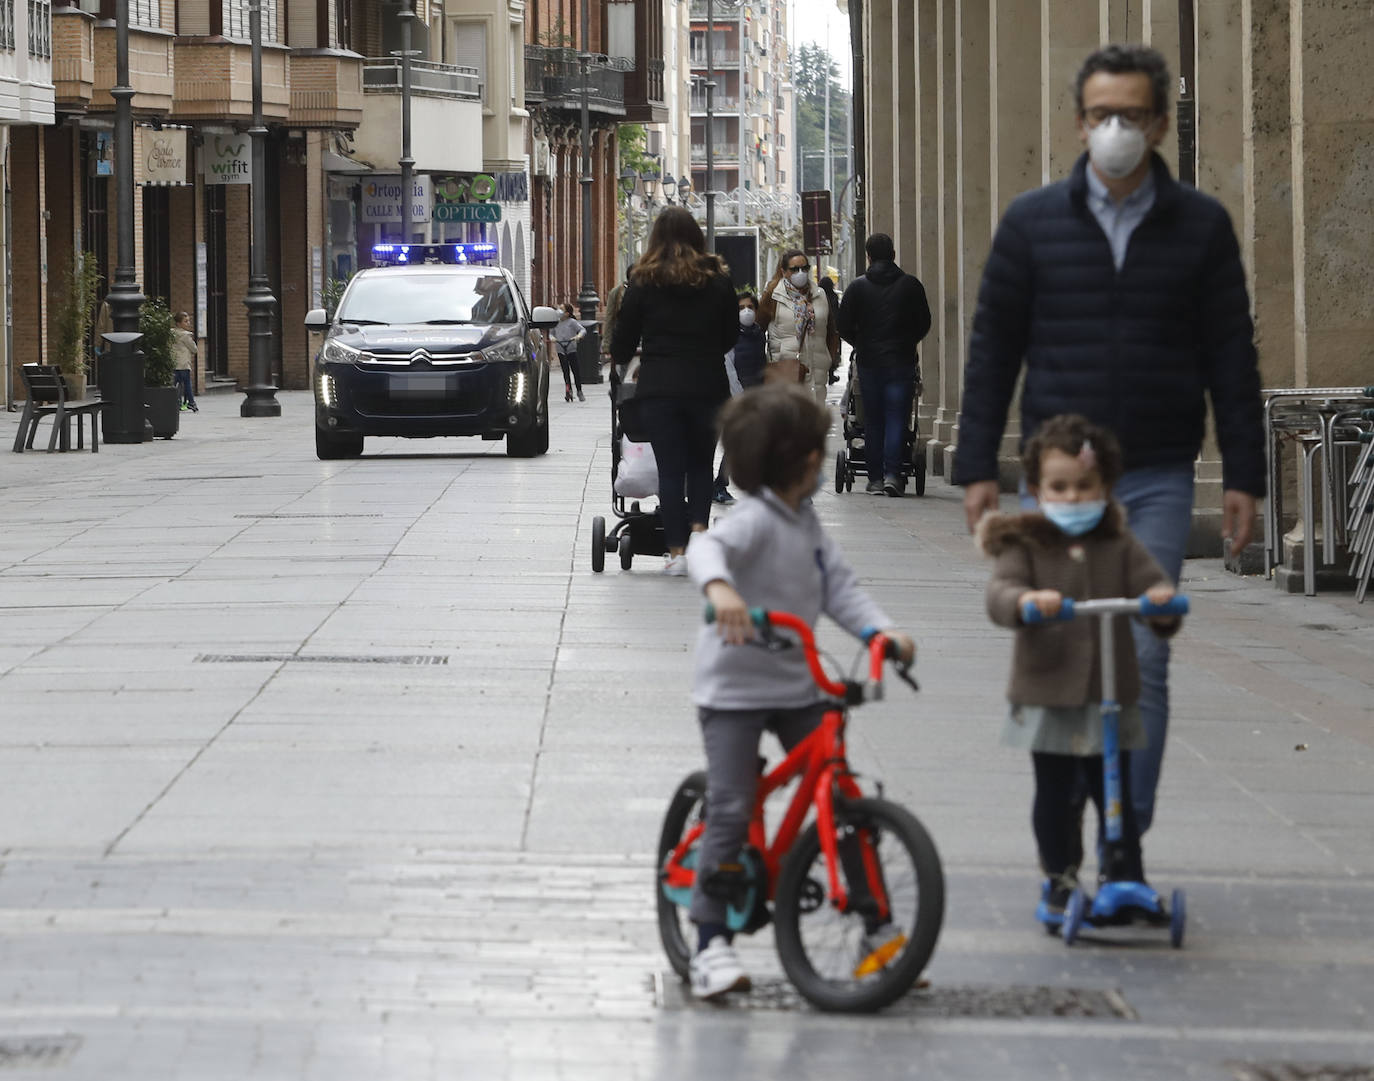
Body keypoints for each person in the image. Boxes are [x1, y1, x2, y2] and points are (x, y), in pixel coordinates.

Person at [953, 43, 1264, 836]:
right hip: (1057, 481)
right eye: (1101, 115)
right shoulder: (1031, 224)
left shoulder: (1200, 227)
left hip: (1157, 470)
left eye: (1131, 114)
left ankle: (1125, 837)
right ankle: (1065, 825)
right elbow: (994, 345)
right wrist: (977, 465)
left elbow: (1232, 351)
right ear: (1079, 122)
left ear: (1159, 123)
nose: (1116, 128)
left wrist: (1245, 474)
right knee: (1059, 648)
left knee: (1144, 655)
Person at [684, 383, 916, 998]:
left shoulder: (808, 525)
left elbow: (840, 587)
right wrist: (722, 592)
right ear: (807, 462)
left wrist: (880, 630)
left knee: (842, 790)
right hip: (732, 689)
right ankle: (709, 942)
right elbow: (704, 547)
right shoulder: (755, 520)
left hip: (794, 684)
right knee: (732, 807)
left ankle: (879, 929)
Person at [980, 415, 1182, 927]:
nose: (1072, 498)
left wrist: (1159, 602)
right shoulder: (1022, 543)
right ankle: (1059, 877)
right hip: (1049, 695)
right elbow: (999, 594)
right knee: (1056, 793)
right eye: (1059, 487)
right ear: (1037, 490)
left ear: (1105, 487)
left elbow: (1152, 585)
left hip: (1109, 696)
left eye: (1084, 486)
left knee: (1114, 788)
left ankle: (1124, 874)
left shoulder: (1118, 542)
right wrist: (1027, 600)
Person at [609, 206, 739, 575]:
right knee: (701, 464)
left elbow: (623, 337)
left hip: (660, 387)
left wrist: (623, 359)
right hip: (707, 385)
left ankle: (677, 553)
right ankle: (699, 533)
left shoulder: (643, 280)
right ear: (696, 235)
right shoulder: (717, 279)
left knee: (670, 470)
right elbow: (730, 334)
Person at [837, 233, 932, 497]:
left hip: (869, 364)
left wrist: (861, 343)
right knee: (897, 418)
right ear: (893, 254)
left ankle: (875, 478)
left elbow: (843, 325)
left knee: (873, 420)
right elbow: (924, 322)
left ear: (868, 256)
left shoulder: (857, 288)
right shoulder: (911, 286)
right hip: (900, 362)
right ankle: (893, 475)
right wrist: (907, 341)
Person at [759, 250, 838, 406]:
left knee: (814, 424)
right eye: (794, 269)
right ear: (784, 271)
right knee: (788, 423)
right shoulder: (773, 295)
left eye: (804, 268)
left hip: (817, 373)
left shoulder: (820, 294)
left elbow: (831, 331)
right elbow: (757, 330)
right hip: (785, 372)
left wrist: (829, 359)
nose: (800, 273)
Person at [712, 292, 768, 506]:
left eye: (750, 306)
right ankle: (719, 485)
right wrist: (738, 395)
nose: (746, 311)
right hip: (734, 396)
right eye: (741, 307)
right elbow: (728, 367)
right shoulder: (729, 336)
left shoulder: (758, 334)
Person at [551, 304, 586, 402]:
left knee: (576, 371)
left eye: (562, 309)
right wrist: (552, 338)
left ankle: (579, 390)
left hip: (571, 349)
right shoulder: (556, 323)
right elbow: (551, 333)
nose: (559, 311)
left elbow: (582, 330)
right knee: (565, 372)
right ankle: (568, 390)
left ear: (567, 313)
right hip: (561, 349)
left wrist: (578, 336)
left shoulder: (572, 322)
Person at [171, 311, 199, 412]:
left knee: (175, 385)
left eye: (188, 321)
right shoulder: (186, 335)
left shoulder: (171, 333)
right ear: (179, 323)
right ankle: (191, 403)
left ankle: (176, 403)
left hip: (174, 363)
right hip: (184, 364)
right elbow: (194, 349)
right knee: (187, 383)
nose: (188, 323)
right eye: (186, 321)